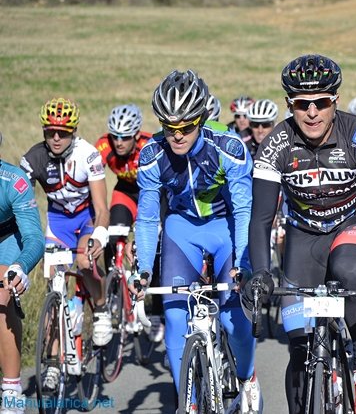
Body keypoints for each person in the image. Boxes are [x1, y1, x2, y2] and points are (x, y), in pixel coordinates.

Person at [243, 54, 356, 414]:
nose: (312, 113)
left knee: (350, 273)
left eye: (321, 103)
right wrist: (262, 272)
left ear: (335, 102)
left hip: (350, 227)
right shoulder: (275, 145)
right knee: (299, 348)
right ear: (290, 105)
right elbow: (261, 219)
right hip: (302, 238)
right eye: (302, 104)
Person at [129, 70, 261, 412]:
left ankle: (247, 378)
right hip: (181, 229)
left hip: (225, 227)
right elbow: (147, 218)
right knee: (174, 317)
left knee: (233, 319)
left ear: (201, 119)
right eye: (169, 127)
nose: (177, 135)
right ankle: (186, 403)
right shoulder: (152, 154)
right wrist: (143, 270)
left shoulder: (228, 147)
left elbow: (244, 210)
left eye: (186, 127)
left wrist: (243, 263)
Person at [20, 98, 111, 393]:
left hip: (86, 219)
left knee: (84, 261)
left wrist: (99, 236)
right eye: (50, 132)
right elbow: (20, 202)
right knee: (55, 286)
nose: (56, 138)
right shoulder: (34, 158)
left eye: (63, 132)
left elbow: (102, 208)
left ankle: (100, 308)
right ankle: (52, 362)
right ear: (44, 132)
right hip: (58, 223)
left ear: (74, 132)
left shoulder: (89, 155)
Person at [95, 104, 165, 343]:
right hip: (125, 192)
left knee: (156, 250)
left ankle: (157, 311)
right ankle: (114, 286)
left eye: (125, 137)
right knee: (112, 237)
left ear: (136, 134)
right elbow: (91, 173)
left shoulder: (149, 145)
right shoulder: (104, 145)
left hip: (152, 193)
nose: (119, 142)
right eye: (115, 136)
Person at [0, 131, 45, 414]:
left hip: (8, 238)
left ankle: (11, 389)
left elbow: (34, 238)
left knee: (0, 299)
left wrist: (21, 266)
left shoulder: (13, 180)